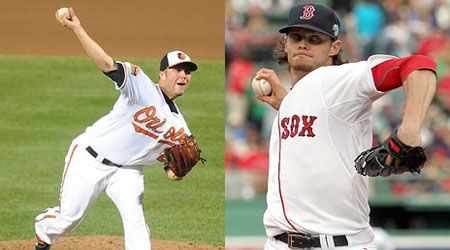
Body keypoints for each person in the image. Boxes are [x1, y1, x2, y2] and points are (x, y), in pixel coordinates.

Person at [255, 3, 437, 249]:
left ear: (334, 47)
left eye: (315, 39)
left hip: (338, 244)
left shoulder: (339, 79)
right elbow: (320, 121)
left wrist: (410, 130)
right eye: (296, 37)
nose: (303, 44)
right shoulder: (297, 98)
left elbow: (418, 65)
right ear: (285, 43)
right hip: (279, 243)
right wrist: (289, 104)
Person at [35, 7, 199, 250]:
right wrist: (77, 28)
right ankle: (44, 231)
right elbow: (106, 64)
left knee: (136, 223)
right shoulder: (141, 84)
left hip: (127, 172)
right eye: (178, 69)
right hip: (89, 157)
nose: (183, 75)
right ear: (162, 74)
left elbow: (172, 173)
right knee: (67, 219)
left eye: (188, 71)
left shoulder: (180, 129)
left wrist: (179, 172)